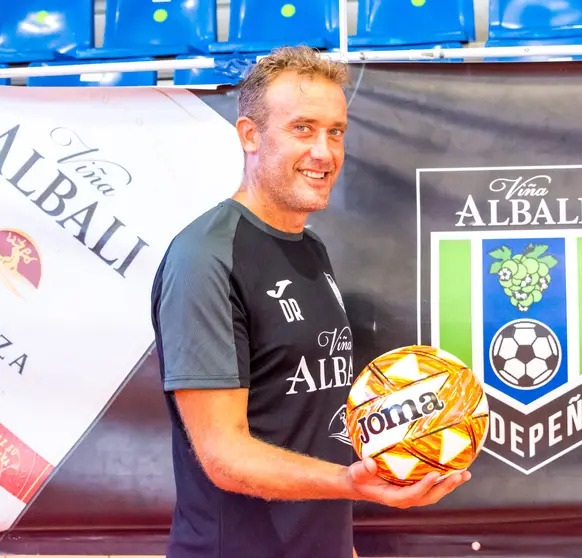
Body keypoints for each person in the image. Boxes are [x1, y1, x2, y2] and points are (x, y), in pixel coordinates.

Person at [150, 45, 471, 558]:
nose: (324, 152)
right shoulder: (205, 258)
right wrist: (351, 483)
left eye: (335, 131)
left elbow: (310, 417)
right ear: (250, 136)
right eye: (303, 128)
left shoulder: (310, 248)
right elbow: (223, 456)